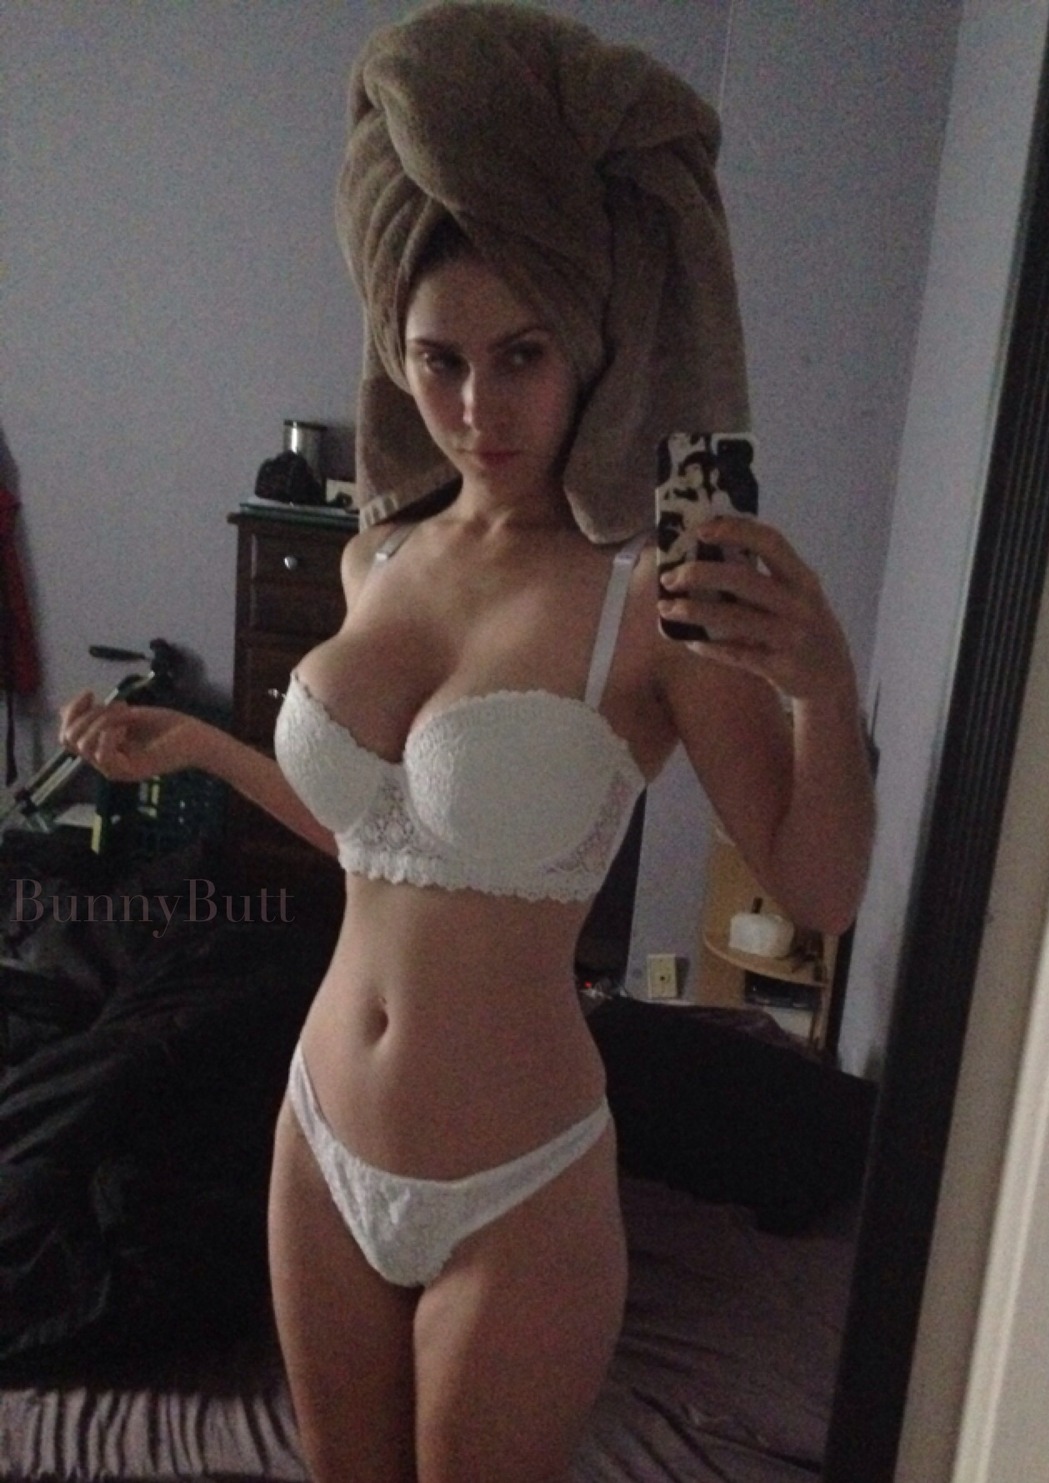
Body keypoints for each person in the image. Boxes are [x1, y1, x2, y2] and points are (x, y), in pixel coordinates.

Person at [58, 6, 875, 1480]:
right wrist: (203, 751)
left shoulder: (650, 595)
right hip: (318, 1135)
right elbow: (381, 844)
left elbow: (818, 888)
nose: (479, 408)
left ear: (590, 349)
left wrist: (822, 688)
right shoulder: (375, 558)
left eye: (522, 355)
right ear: (395, 351)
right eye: (439, 361)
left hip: (519, 1181)